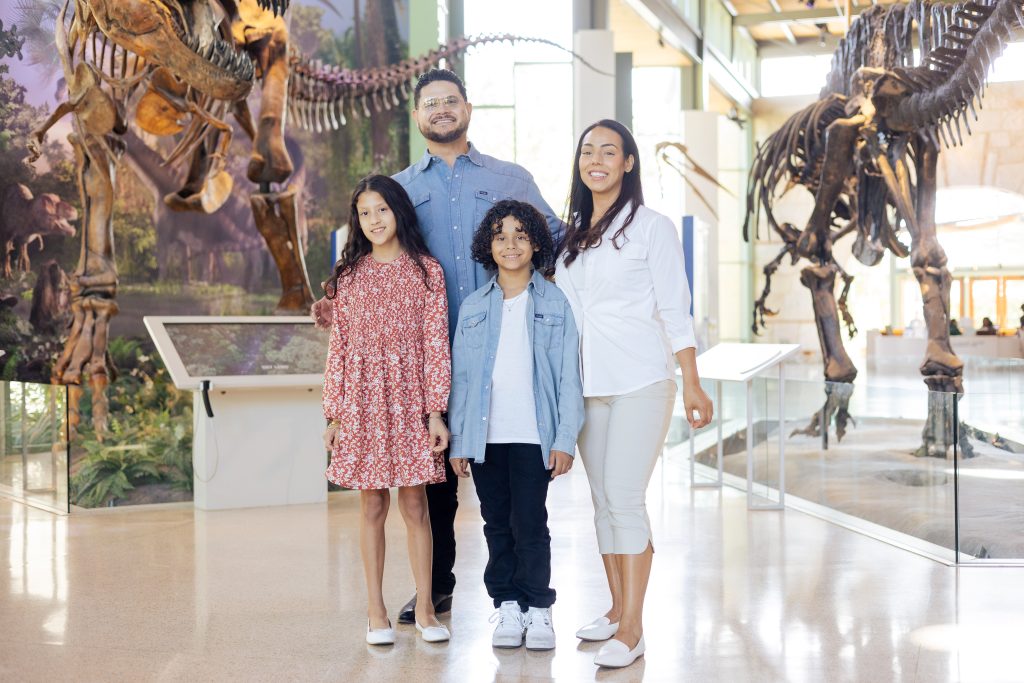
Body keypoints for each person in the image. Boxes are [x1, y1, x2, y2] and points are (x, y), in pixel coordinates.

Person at [314, 68, 563, 624]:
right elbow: (375, 267)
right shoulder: (401, 190)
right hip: (421, 367)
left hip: (495, 359)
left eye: (451, 101)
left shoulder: (510, 177)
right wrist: (337, 306)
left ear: (468, 109)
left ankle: (523, 597)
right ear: (417, 116)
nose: (442, 110)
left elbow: (555, 239)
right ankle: (435, 590)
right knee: (434, 487)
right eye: (431, 104)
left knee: (508, 481)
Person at [553, 119, 714, 669]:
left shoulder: (653, 227)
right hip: (587, 385)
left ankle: (635, 628)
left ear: (628, 163)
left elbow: (675, 306)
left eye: (609, 151)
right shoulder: (571, 236)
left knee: (624, 497)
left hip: (642, 380)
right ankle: (617, 608)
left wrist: (691, 379)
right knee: (602, 503)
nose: (596, 159)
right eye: (587, 150)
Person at [321, 175, 452, 645]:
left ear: (398, 211)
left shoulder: (426, 271)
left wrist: (436, 410)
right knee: (372, 503)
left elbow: (437, 344)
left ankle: (424, 607)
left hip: (410, 399)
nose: (374, 220)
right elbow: (339, 348)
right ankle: (374, 609)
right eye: (364, 213)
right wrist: (334, 414)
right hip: (362, 403)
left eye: (382, 209)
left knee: (416, 505)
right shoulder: (350, 277)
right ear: (357, 221)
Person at [448, 200, 583, 651]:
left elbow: (569, 376)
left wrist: (564, 439)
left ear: (537, 244)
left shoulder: (554, 302)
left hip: (533, 437)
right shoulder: (471, 307)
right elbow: (463, 381)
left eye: (521, 235)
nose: (510, 244)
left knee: (530, 522)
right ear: (489, 245)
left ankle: (539, 608)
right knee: (495, 524)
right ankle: (506, 603)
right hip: (486, 439)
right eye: (501, 235)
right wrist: (460, 442)